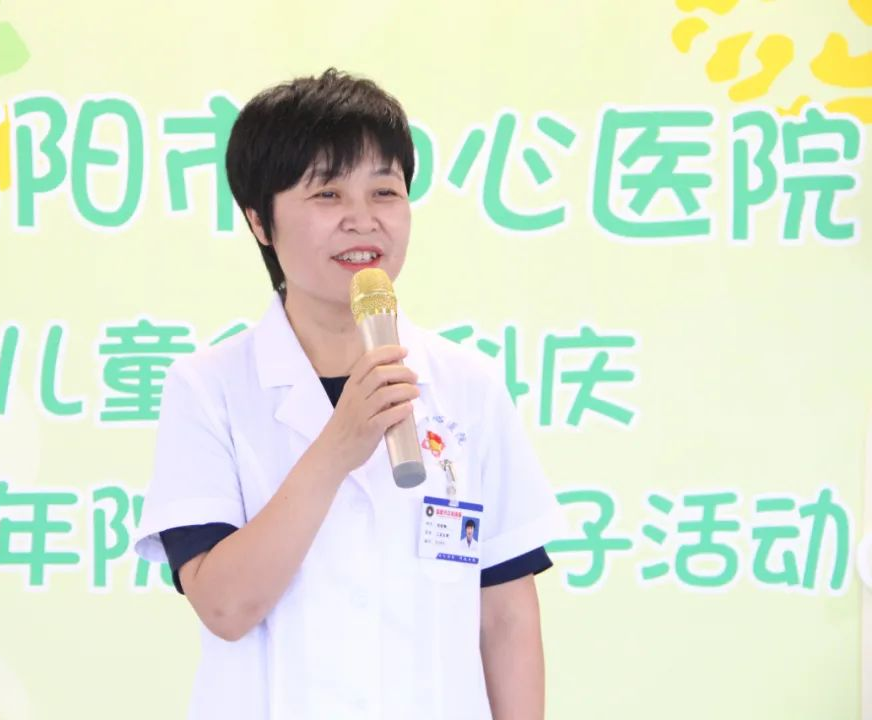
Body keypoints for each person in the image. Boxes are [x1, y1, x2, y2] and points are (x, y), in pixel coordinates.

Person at [134, 68, 566, 720]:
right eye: (328, 194)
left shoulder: (467, 387)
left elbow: (506, 617)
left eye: (384, 192)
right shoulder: (209, 389)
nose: (362, 220)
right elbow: (224, 606)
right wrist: (339, 445)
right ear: (260, 222)